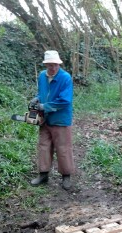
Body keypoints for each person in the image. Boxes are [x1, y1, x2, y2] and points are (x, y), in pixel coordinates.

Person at [30, 50, 75, 190]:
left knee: (63, 148)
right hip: (45, 118)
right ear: (46, 65)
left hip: (60, 119)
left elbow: (65, 100)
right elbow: (42, 92)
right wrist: (37, 98)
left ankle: (66, 176)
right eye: (50, 65)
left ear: (59, 64)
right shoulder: (42, 76)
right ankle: (43, 174)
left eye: (55, 65)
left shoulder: (65, 77)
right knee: (43, 146)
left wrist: (45, 106)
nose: (53, 68)